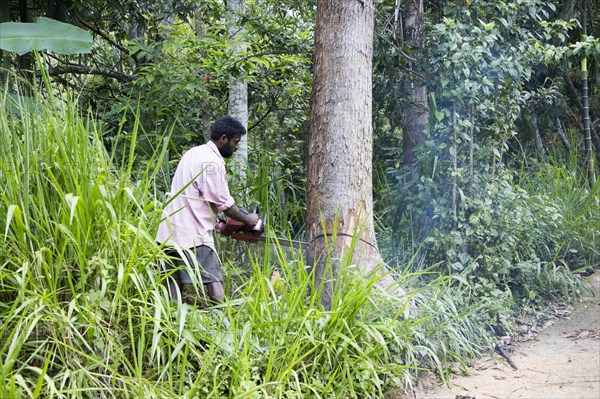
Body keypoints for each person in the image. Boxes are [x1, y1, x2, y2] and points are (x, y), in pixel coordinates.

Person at [156, 116, 259, 304]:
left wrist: (219, 225)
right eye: (235, 142)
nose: (236, 147)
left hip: (169, 231)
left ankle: (172, 323)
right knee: (213, 281)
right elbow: (225, 205)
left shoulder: (193, 153)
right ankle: (223, 323)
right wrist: (249, 219)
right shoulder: (212, 161)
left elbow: (197, 196)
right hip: (193, 235)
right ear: (223, 139)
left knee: (172, 282)